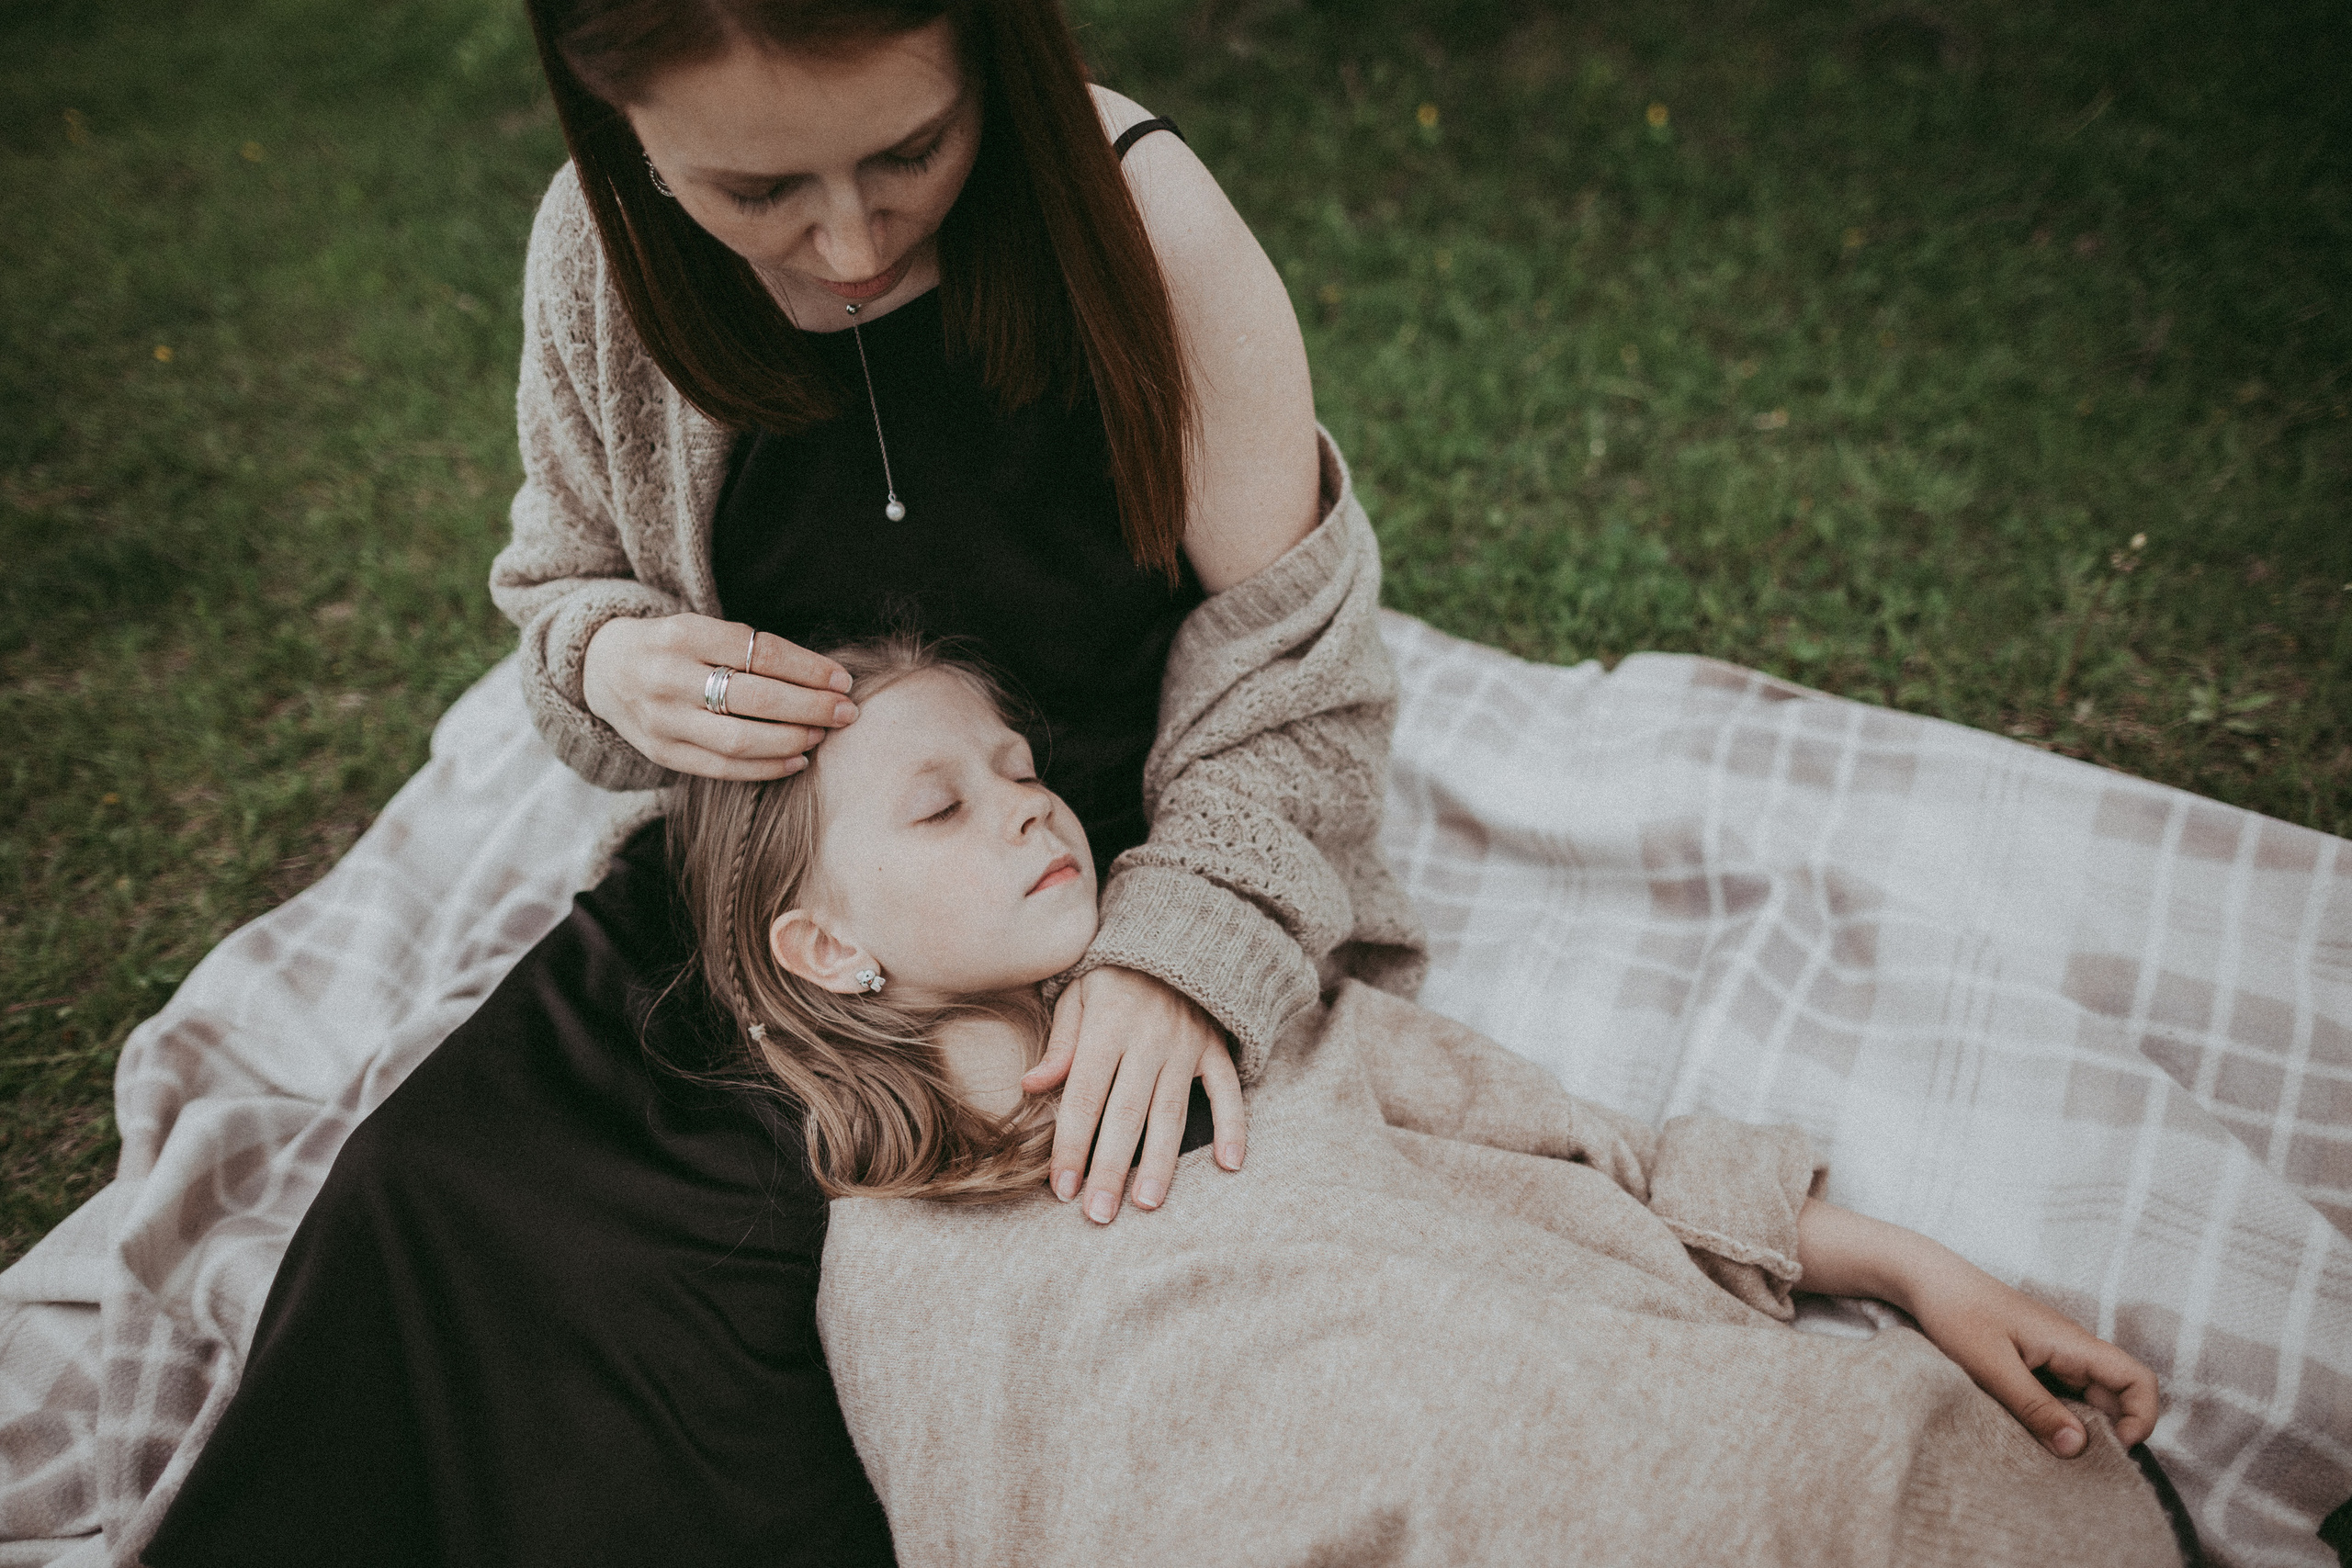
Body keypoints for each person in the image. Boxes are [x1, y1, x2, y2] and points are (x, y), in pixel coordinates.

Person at [147, 0, 1419, 1560]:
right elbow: (569, 584)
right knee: (436, 1199)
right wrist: (615, 662)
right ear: (625, 130)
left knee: (836, 1315)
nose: (845, 242)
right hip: (775, 906)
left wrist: (1187, 952)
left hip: (1087, 903)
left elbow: (1303, 686)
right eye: (755, 193)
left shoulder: (1147, 228)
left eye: (909, 152)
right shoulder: (602, 251)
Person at [670, 637, 2183, 1567]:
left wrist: (1922, 1269)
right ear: (825, 947)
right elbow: (985, 1515)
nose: (1025, 803)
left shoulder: (1282, 1032)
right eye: (943, 806)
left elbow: (1617, 1162)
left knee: (1883, 1469)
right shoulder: (894, 1261)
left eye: (1017, 769)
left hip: (1644, 1454)